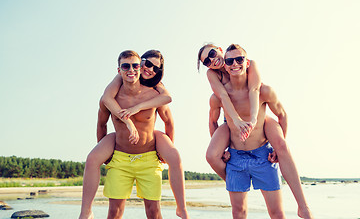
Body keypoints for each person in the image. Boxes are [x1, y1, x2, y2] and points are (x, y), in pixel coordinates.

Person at [198, 44, 313, 218]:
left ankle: (303, 207)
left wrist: (253, 120)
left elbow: (258, 92)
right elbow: (218, 105)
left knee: (281, 145)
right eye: (207, 61)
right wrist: (224, 149)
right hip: (235, 152)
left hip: (261, 148)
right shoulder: (215, 83)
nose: (212, 60)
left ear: (246, 62)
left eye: (213, 54)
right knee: (213, 157)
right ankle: (235, 182)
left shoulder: (261, 86)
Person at [79, 50, 188, 219]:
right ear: (119, 69)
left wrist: (164, 151)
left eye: (135, 66)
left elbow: (169, 121)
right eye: (126, 66)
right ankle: (85, 212)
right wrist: (107, 153)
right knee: (114, 211)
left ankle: (182, 209)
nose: (133, 69)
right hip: (121, 157)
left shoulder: (155, 93)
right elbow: (101, 124)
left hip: (149, 157)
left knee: (153, 211)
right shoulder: (111, 95)